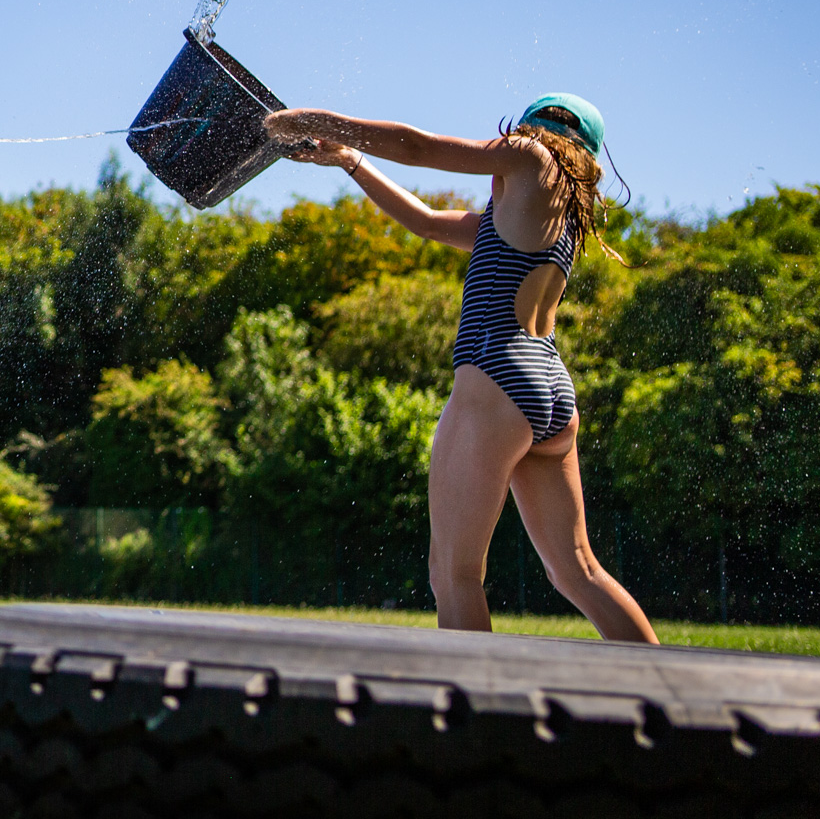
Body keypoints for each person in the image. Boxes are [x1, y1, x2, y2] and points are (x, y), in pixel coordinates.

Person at [265, 96, 658, 643]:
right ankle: (670, 696)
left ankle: (474, 718)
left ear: (532, 129)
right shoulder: (548, 220)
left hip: (496, 380)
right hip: (550, 392)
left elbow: (416, 147)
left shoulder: (528, 156)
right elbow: (424, 221)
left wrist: (315, 120)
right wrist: (350, 159)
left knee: (454, 574)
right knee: (577, 571)